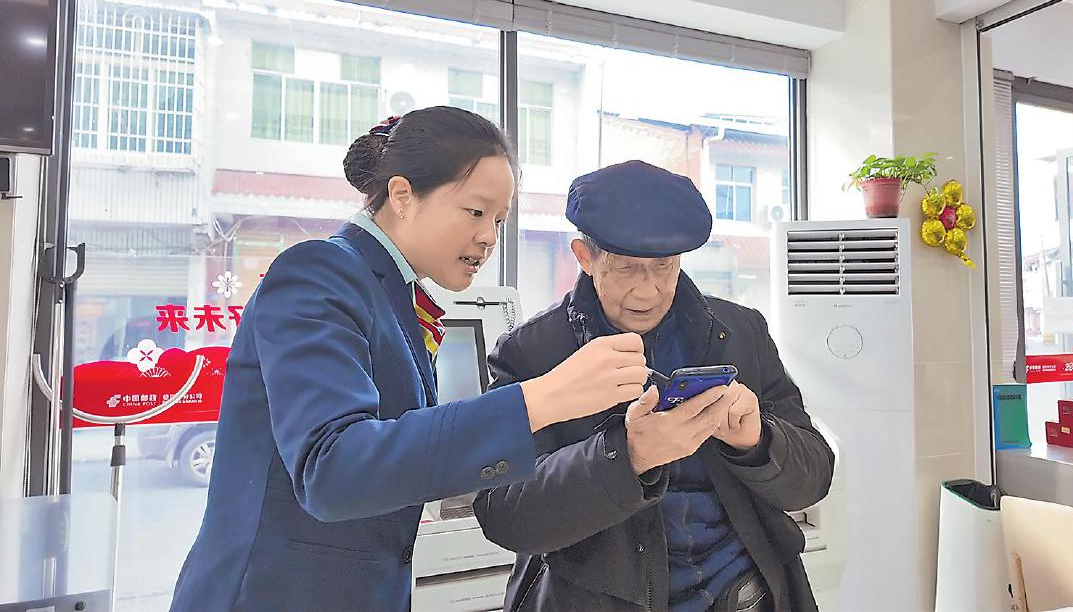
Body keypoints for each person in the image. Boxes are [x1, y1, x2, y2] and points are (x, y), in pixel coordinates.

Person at [170, 108, 648, 612]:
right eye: (475, 211)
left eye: (499, 220)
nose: (489, 236)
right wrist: (541, 399)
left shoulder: (394, 295)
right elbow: (332, 469)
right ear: (401, 195)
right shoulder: (318, 272)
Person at [473, 160, 836, 612]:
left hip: (746, 594)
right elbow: (503, 512)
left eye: (663, 267)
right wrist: (628, 456)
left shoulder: (741, 332)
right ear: (584, 257)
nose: (647, 292)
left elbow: (814, 478)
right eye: (626, 269)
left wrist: (758, 441)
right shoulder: (531, 353)